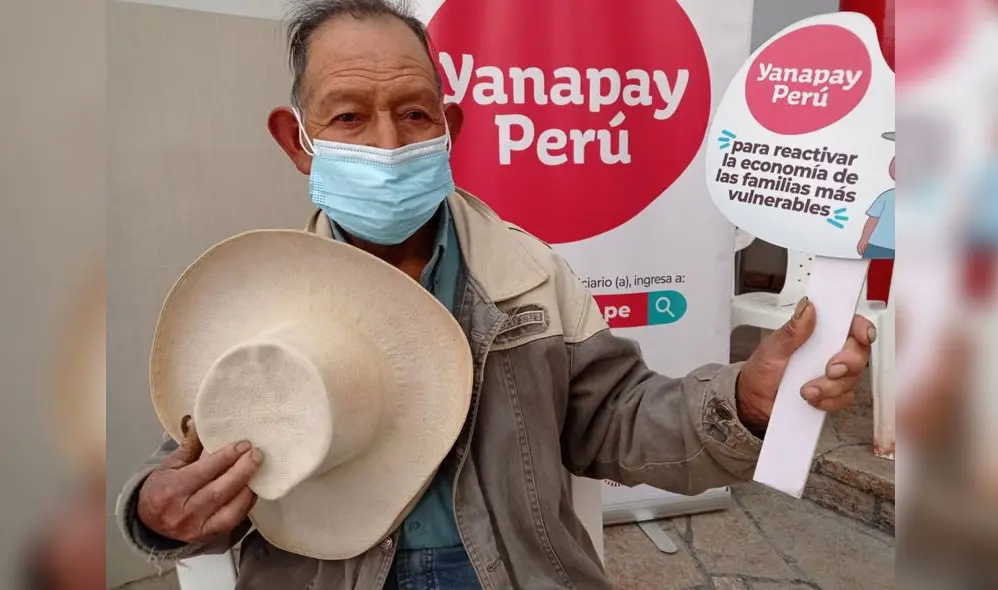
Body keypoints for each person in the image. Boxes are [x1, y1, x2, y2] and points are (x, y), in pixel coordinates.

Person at [116, 1, 875, 588]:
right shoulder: (253, 302)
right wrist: (157, 510)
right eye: (348, 116)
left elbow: (616, 419)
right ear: (297, 141)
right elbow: (193, 470)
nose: (387, 144)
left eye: (414, 114)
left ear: (450, 127)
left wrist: (745, 399)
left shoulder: (530, 278)